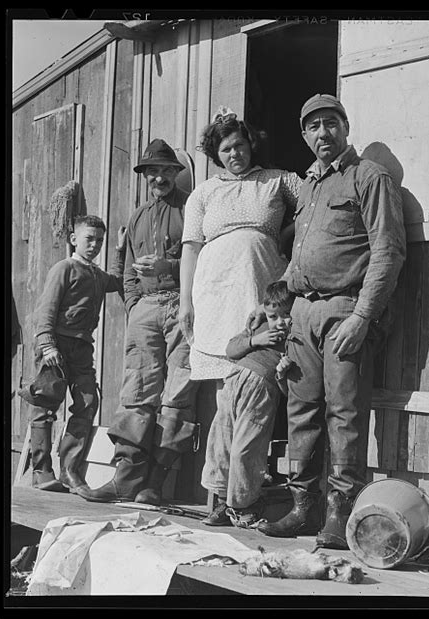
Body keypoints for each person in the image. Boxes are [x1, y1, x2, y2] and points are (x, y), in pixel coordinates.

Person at [250, 94, 406, 548]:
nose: (323, 133)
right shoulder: (310, 186)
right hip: (301, 312)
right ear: (304, 135)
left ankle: (340, 515)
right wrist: (270, 300)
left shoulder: (368, 177)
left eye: (331, 123)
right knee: (301, 412)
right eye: (313, 126)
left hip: (344, 311)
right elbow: (300, 257)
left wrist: (362, 316)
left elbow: (388, 251)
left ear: (345, 126)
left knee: (344, 414)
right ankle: (303, 508)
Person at [80, 139, 199, 505]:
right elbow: (128, 271)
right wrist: (134, 305)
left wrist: (171, 270)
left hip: (183, 306)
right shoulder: (137, 216)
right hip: (146, 308)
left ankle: (155, 485)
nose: (159, 177)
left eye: (166, 171)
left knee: (177, 395)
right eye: (153, 172)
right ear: (145, 176)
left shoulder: (192, 209)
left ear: (176, 174)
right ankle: (126, 480)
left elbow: (205, 262)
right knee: (137, 392)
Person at [179, 106, 303, 384]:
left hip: (258, 279)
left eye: (239, 145)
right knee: (221, 369)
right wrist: (185, 300)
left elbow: (314, 207)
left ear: (250, 144)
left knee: (259, 367)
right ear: (216, 155)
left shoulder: (278, 180)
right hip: (214, 290)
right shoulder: (204, 192)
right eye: (225, 150)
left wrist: (285, 236)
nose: (234, 154)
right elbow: (191, 248)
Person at [28, 215, 126, 493]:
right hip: (56, 344)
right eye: (89, 239)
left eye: (99, 241)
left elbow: (116, 281)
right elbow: (46, 307)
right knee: (45, 406)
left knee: (87, 403)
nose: (94, 245)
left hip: (82, 349)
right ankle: (41, 470)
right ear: (74, 239)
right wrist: (47, 344)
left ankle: (70, 471)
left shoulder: (96, 275)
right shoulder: (65, 268)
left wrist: (119, 250)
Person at [201, 281, 294, 529]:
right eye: (274, 316)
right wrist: (255, 340)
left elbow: (288, 391)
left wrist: (283, 373)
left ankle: (243, 504)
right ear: (265, 311)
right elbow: (231, 350)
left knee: (246, 448)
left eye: (287, 315)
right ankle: (223, 502)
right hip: (233, 382)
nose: (280, 322)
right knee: (221, 443)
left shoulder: (294, 341)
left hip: (262, 391)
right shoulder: (258, 326)